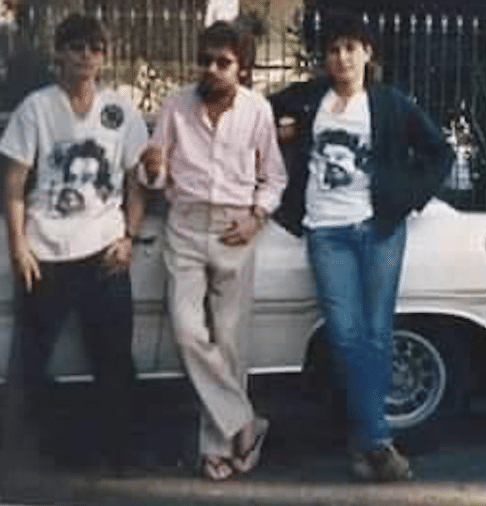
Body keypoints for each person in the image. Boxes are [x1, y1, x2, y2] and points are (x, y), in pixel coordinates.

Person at [269, 9, 454, 482]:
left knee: (377, 335)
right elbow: (258, 113)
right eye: (333, 49)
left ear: (367, 53)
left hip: (378, 230)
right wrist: (282, 131)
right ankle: (375, 443)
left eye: (350, 47)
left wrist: (406, 198)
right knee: (345, 338)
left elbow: (439, 152)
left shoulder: (391, 104)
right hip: (325, 232)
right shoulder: (310, 98)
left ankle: (366, 443)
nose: (341, 57)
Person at [0, 13, 150, 474]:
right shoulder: (36, 109)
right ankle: (15, 457)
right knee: (29, 360)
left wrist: (129, 237)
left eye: (95, 48)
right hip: (46, 254)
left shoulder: (119, 110)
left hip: (105, 251)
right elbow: (13, 184)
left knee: (114, 361)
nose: (87, 55)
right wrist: (20, 247)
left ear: (104, 56)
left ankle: (119, 454)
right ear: (59, 54)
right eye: (77, 46)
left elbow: (137, 181)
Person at [140, 20, 286, 481]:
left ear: (242, 67)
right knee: (187, 333)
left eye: (223, 62)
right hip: (184, 225)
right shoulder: (177, 105)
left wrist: (256, 217)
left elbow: (275, 177)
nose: (212, 69)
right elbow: (155, 177)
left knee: (228, 342)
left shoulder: (258, 110)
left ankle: (217, 449)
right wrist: (152, 169)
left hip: (234, 229)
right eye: (205, 60)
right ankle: (246, 423)